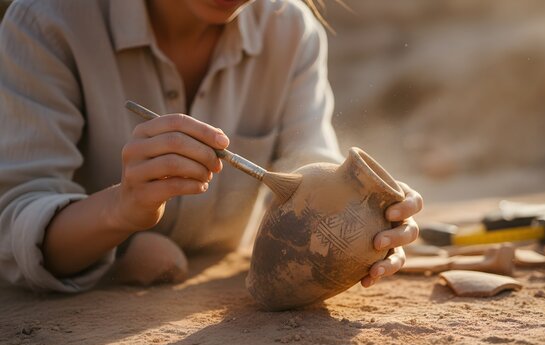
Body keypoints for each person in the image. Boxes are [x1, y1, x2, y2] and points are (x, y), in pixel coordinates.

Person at [0, 0, 422, 293]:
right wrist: (120, 211)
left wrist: (368, 214)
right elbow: (14, 223)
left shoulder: (290, 30)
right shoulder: (46, 22)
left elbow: (310, 167)